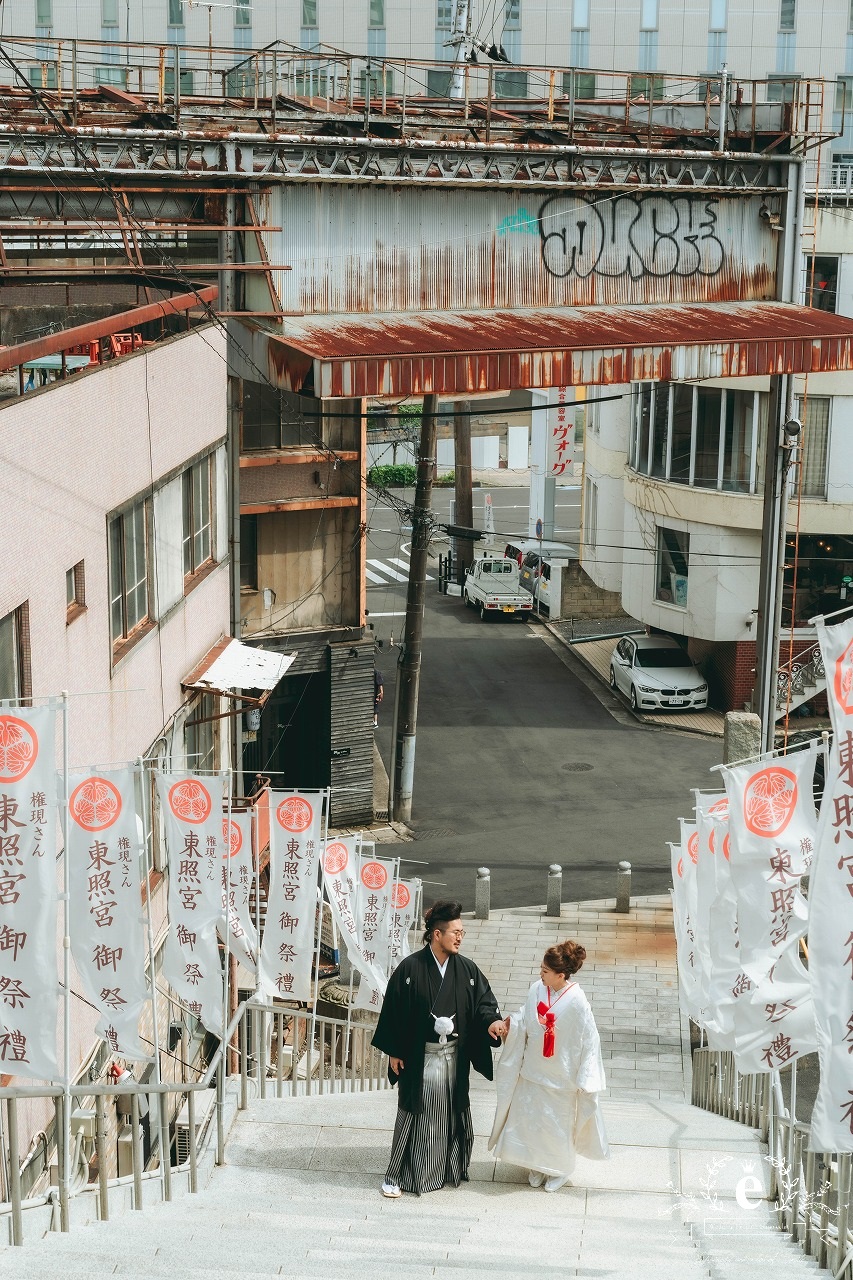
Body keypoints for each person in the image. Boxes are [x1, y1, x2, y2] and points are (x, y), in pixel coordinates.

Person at [372, 899, 505, 1198]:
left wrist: (492, 1023)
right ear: (436, 934)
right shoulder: (410, 969)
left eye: (462, 932)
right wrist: (394, 1050)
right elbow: (394, 1011)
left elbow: (484, 1004)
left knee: (450, 1113)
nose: (459, 937)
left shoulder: (467, 970)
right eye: (454, 932)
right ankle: (399, 1174)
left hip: (453, 1058)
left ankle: (449, 1168)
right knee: (415, 1115)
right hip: (421, 1059)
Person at [488, 940, 609, 1192]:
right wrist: (511, 1025)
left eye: (545, 971)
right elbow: (524, 1016)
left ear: (560, 975)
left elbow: (590, 1038)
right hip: (533, 1069)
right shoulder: (536, 990)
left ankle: (560, 1169)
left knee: (556, 1125)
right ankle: (535, 1164)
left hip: (561, 1074)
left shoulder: (577, 1001)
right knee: (531, 1121)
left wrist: (587, 1075)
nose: (540, 974)